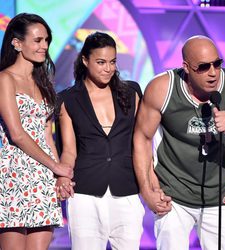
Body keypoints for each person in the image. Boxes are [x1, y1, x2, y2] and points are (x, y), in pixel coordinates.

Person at [133, 35, 225, 250]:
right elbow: (142, 138)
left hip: (219, 194)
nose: (213, 72)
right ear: (186, 67)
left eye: (217, 64)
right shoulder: (162, 88)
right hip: (173, 195)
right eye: (204, 67)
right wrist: (146, 189)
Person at [55, 31, 145, 250]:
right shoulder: (68, 99)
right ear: (85, 60)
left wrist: (150, 184)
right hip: (85, 192)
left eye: (112, 62)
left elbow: (143, 141)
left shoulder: (131, 92)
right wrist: (63, 176)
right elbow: (69, 150)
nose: (108, 68)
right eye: (101, 62)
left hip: (126, 188)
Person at [0, 13, 73, 250]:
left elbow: (46, 137)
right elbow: (17, 134)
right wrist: (56, 166)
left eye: (47, 41)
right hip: (14, 173)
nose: (44, 46)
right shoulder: (4, 79)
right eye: (38, 40)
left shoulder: (43, 84)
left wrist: (59, 175)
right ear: (17, 43)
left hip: (42, 175)